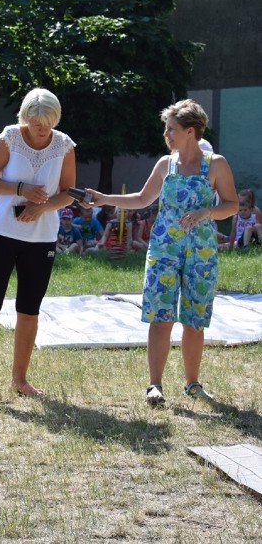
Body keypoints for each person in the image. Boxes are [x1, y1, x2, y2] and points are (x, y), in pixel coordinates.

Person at [82, 99, 238, 405]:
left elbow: (231, 205)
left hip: (201, 252)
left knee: (194, 319)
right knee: (160, 317)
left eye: (171, 129)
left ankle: (192, 383)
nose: (166, 134)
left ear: (190, 131)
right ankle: (155, 385)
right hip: (164, 249)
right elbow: (142, 199)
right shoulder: (166, 164)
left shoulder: (215, 164)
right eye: (166, 128)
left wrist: (206, 211)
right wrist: (103, 199)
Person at [0, 88, 77, 401]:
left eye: (47, 121)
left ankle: (20, 380)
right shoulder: (10, 137)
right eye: (35, 120)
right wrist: (21, 189)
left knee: (30, 310)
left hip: (41, 238)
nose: (41, 127)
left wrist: (41, 206)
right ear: (25, 117)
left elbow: (69, 192)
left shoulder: (64, 144)